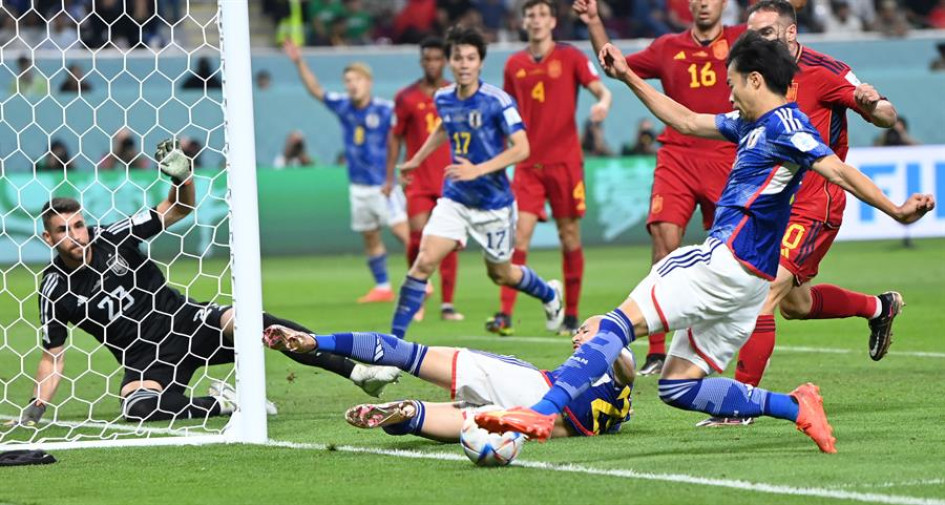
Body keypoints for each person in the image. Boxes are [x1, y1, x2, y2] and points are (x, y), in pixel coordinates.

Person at [474, 32, 935, 453]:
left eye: (733, 83)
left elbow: (837, 169)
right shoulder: (753, 124)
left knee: (615, 325)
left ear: (756, 79)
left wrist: (896, 210)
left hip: (722, 262)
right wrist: (630, 77)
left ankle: (541, 412)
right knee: (678, 387)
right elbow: (689, 121)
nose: (728, 93)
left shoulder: (786, 128)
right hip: (748, 285)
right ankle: (797, 406)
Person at [7, 140, 399, 427]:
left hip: (187, 323)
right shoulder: (54, 288)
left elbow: (179, 207)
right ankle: (224, 404)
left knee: (252, 320)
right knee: (137, 409)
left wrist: (183, 178)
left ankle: (357, 373)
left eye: (78, 225)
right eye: (63, 230)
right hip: (145, 359)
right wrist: (37, 406)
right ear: (48, 239)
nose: (76, 235)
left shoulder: (114, 236)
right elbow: (52, 355)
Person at [698, 0, 904, 427]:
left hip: (816, 200)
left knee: (765, 291)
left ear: (791, 34)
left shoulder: (825, 70)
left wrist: (870, 104)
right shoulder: (759, 78)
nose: (758, 42)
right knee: (794, 303)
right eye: (753, 35)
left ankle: (739, 407)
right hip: (775, 208)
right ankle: (877, 307)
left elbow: (887, 115)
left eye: (768, 34)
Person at [574, 0, 744, 376]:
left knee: (731, 258)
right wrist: (594, 21)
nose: (703, 4)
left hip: (728, 161)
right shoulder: (668, 47)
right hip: (678, 158)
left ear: (723, 4)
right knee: (664, 244)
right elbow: (615, 65)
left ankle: (712, 343)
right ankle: (656, 348)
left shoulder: (741, 40)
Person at [390, 26, 564, 339]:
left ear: (480, 63)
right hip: (455, 199)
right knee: (423, 262)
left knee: (501, 274)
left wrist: (479, 169)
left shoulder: (497, 101)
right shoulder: (444, 97)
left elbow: (522, 148)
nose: (464, 64)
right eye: (458, 58)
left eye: (471, 58)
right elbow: (445, 127)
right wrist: (417, 158)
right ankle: (391, 349)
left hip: (494, 204)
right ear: (450, 62)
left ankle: (549, 294)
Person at [261, 316, 634, 441]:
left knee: (408, 354)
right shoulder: (618, 406)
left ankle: (315, 342)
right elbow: (624, 379)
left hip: (534, 388)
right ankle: (409, 413)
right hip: (536, 426)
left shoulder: (609, 358)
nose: (576, 337)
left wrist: (611, 338)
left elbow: (626, 366)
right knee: (467, 421)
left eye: (584, 331)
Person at [486, 0, 613, 337]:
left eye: (542, 14)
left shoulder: (570, 57)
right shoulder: (514, 64)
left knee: (568, 236)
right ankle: (504, 314)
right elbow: (507, 116)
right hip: (528, 163)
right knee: (519, 234)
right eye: (531, 15)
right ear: (523, 22)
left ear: (553, 21)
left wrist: (602, 103)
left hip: (565, 162)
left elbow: (602, 89)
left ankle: (571, 314)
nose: (537, 20)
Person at [284, 40, 409, 303]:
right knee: (370, 235)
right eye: (347, 81)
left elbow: (404, 137)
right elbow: (316, 90)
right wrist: (298, 62)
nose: (351, 85)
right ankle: (383, 287)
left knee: (403, 233)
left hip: (383, 184)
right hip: (358, 184)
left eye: (356, 80)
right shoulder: (344, 106)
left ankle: (422, 281)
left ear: (368, 82)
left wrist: (401, 171)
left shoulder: (385, 110)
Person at [387, 37, 464, 323]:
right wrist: (391, 175)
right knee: (418, 236)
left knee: (450, 239)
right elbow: (395, 137)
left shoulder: (455, 94)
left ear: (444, 60)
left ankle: (447, 303)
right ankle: (417, 297)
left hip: (449, 177)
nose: (431, 63)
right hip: (419, 178)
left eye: (436, 58)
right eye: (426, 59)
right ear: (421, 62)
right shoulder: (406, 97)